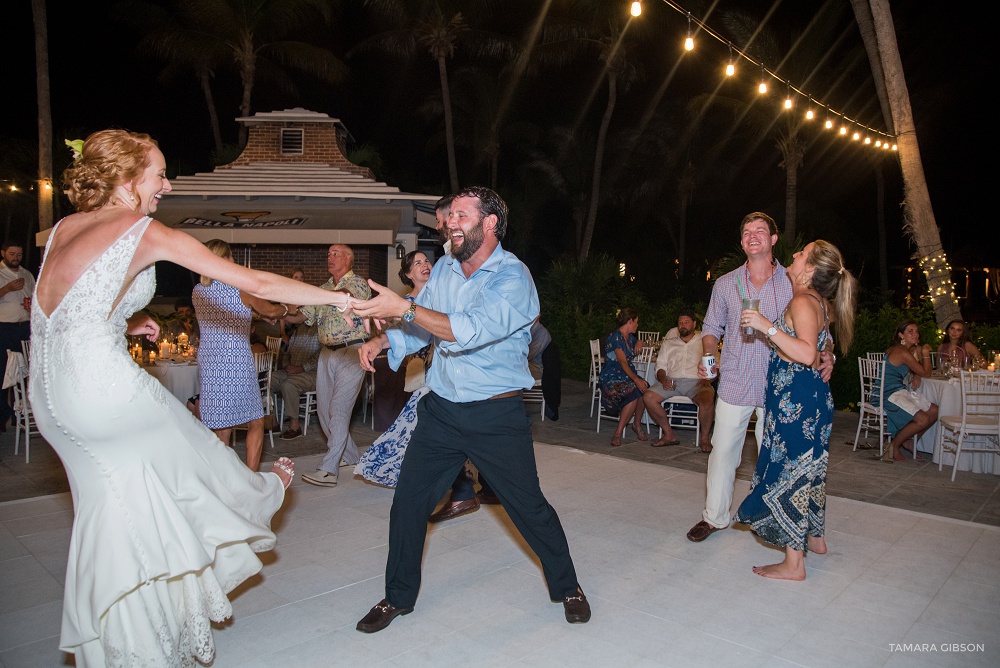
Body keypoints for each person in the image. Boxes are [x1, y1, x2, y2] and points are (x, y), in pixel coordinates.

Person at [32, 129, 353, 666]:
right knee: (197, 461)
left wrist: (127, 317)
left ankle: (135, 641)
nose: (167, 183)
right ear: (128, 179)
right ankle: (258, 491)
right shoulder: (141, 229)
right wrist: (338, 299)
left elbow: (60, 302)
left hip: (54, 398)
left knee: (121, 512)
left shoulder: (64, 227)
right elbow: (257, 283)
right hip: (102, 391)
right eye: (159, 173)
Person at [351, 186, 590, 632]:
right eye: (448, 217)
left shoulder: (513, 277)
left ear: (491, 222)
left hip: (494, 417)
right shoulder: (443, 268)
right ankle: (397, 597)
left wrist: (402, 308)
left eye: (460, 215)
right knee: (408, 504)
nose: (449, 223)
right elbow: (427, 325)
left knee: (527, 507)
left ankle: (568, 585)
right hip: (441, 410)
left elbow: (468, 330)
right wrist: (388, 338)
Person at [686, 212, 833, 543]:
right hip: (736, 381)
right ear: (742, 242)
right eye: (747, 232)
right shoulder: (726, 284)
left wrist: (830, 353)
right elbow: (711, 328)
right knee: (723, 453)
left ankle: (773, 520)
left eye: (760, 231)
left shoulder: (794, 281)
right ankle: (714, 517)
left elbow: (819, 330)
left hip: (779, 388)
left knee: (777, 459)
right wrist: (710, 353)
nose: (753, 236)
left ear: (773, 239)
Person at [734, 240, 857, 580]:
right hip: (812, 399)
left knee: (790, 473)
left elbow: (804, 353)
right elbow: (820, 343)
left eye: (802, 253)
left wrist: (764, 325)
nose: (795, 255)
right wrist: (828, 354)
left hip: (795, 404)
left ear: (810, 269)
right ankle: (815, 539)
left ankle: (794, 564)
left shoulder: (802, 300)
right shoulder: (820, 303)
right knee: (812, 469)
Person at [193, 239, 290, 472]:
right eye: (231, 257)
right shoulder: (239, 289)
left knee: (220, 427)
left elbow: (229, 315)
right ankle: (251, 476)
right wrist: (286, 310)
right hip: (235, 362)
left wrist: (255, 316)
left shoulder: (198, 292)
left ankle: (223, 478)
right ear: (223, 259)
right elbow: (268, 308)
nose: (234, 261)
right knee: (255, 420)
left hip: (210, 362)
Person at [286, 244, 372, 487]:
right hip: (326, 353)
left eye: (336, 254)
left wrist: (307, 293)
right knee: (324, 411)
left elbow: (344, 296)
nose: (330, 257)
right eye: (328, 254)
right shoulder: (323, 288)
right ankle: (350, 456)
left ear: (349, 259)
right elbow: (302, 316)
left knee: (339, 409)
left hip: (352, 351)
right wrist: (280, 312)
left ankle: (329, 470)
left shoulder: (358, 283)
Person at [354, 250, 434, 486]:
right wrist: (378, 341)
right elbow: (409, 336)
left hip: (446, 369)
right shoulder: (406, 304)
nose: (424, 265)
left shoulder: (443, 293)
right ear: (409, 274)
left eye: (427, 260)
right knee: (417, 422)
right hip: (424, 370)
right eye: (417, 263)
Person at [641, 308, 716, 450]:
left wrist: (709, 380)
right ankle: (669, 434)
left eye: (686, 322)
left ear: (694, 324)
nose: (682, 325)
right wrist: (663, 380)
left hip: (697, 382)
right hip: (672, 380)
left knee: (707, 399)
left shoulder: (703, 341)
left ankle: (705, 438)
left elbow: (715, 365)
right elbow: (660, 367)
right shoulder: (669, 343)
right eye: (680, 322)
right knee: (648, 397)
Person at [878, 320, 939, 463]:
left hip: (898, 391)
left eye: (916, 331)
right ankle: (894, 446)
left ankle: (909, 441)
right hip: (888, 394)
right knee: (923, 419)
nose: (915, 334)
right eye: (910, 331)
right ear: (901, 335)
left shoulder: (904, 350)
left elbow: (917, 371)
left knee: (934, 411)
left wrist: (918, 373)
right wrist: (925, 352)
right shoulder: (901, 352)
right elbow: (927, 372)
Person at [599, 307, 650, 447]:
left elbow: (644, 344)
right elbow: (622, 362)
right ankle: (618, 432)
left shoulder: (630, 338)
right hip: (612, 377)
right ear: (630, 321)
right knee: (634, 390)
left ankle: (637, 424)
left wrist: (640, 342)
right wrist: (636, 379)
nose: (637, 325)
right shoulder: (616, 337)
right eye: (636, 322)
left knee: (645, 389)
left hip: (625, 376)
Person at [0, 241, 34, 430]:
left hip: (24, 327)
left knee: (23, 372)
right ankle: (1, 417)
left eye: (19, 255)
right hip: (4, 328)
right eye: (12, 254)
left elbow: (34, 295)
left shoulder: (26, 274)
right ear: (3, 253)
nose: (16, 258)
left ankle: (18, 414)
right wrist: (7, 289)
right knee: (3, 372)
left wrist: (30, 306)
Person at [271, 321, 320, 440]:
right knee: (268, 380)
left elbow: (321, 356)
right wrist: (287, 365)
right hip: (293, 369)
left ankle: (295, 426)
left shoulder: (321, 328)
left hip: (312, 372)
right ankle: (272, 422)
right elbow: (288, 352)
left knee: (289, 385)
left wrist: (302, 368)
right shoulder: (299, 328)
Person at [529, 316, 562, 421]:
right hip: (535, 365)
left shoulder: (540, 333)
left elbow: (528, 354)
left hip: (538, 368)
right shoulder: (533, 331)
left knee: (510, 369)